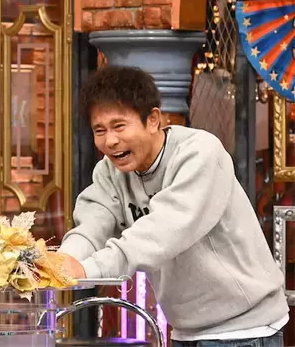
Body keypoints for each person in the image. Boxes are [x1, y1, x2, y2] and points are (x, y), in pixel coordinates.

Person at [58, 66, 288, 347]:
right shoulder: (110, 172)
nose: (110, 140)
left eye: (119, 126)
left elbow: (164, 231)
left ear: (153, 120)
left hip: (244, 331)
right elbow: (92, 225)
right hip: (185, 330)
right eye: (99, 130)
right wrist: (61, 263)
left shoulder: (199, 153)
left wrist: (88, 270)